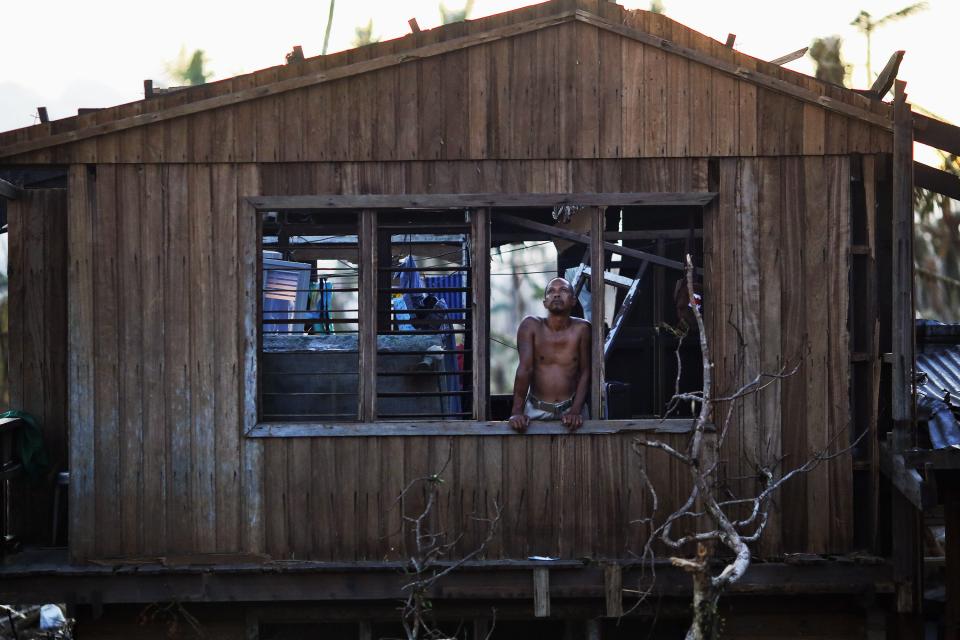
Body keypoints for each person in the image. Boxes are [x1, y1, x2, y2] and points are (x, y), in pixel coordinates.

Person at [508, 277, 591, 432]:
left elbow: (585, 372)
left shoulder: (582, 329)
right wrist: (517, 412)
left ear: (573, 301)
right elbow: (524, 369)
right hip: (536, 410)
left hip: (572, 410)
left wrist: (576, 410)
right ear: (545, 302)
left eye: (564, 290)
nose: (557, 294)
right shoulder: (530, 326)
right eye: (551, 291)